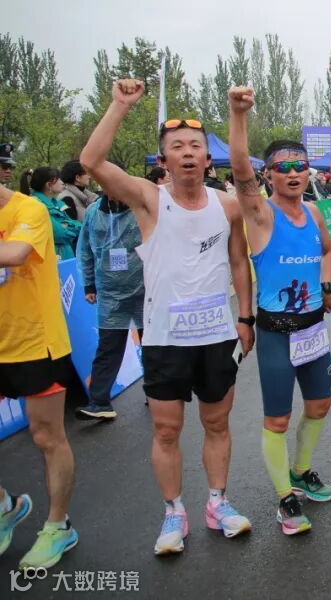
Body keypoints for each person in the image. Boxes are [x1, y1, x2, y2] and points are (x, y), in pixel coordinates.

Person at [81, 79, 255, 555]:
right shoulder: (149, 199)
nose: (187, 153)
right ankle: (173, 512)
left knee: (217, 424)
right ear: (163, 160)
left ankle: (218, 503)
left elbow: (239, 262)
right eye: (176, 147)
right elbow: (92, 162)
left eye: (195, 146)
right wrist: (119, 105)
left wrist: (246, 317)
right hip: (164, 337)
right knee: (165, 429)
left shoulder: (227, 206)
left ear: (208, 158)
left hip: (216, 335)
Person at [227, 86, 331, 535]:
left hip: (313, 330)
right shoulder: (260, 214)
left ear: (309, 171)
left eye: (300, 166)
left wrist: (325, 286)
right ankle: (284, 498)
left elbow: (328, 251)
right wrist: (239, 114)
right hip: (276, 331)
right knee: (277, 417)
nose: (293, 174)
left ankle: (301, 471)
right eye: (283, 168)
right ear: (268, 174)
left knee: (320, 405)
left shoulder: (314, 212)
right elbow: (239, 168)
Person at [0, 176, 79, 570]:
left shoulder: (29, 209)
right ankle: (5, 507)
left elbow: (15, 253)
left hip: (36, 343)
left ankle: (57, 526)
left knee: (47, 437)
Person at [74, 186, 144, 420]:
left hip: (145, 289)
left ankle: (157, 393)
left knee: (153, 345)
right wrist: (89, 284)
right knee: (108, 347)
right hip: (110, 292)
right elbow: (85, 249)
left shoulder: (140, 207)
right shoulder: (93, 213)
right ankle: (98, 402)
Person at [20, 167, 81, 260]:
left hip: (65, 255)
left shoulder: (56, 203)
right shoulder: (36, 204)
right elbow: (59, 234)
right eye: (58, 179)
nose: (62, 182)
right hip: (51, 257)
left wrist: (67, 226)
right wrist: (71, 228)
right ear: (49, 185)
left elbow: (78, 225)